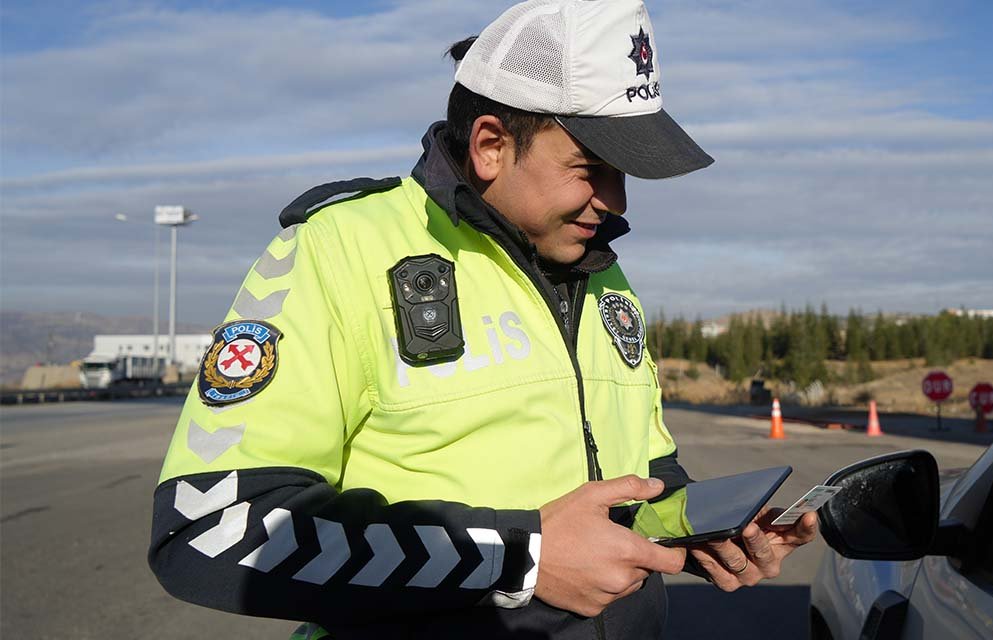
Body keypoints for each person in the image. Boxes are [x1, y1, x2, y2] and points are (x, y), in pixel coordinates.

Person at [147, 1, 817, 637]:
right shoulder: (337, 249)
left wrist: (705, 529)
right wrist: (517, 557)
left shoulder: (601, 271)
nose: (613, 203)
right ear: (491, 146)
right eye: (591, 170)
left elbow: (643, 479)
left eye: (626, 176)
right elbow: (211, 526)